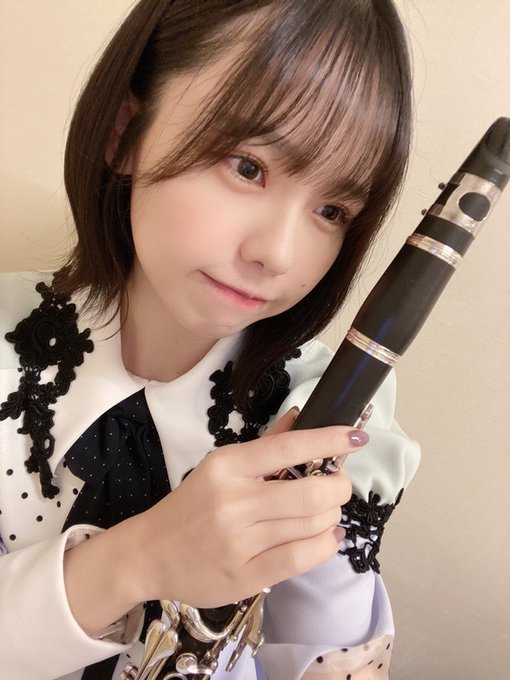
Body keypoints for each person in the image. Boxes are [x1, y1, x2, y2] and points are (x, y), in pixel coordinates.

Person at [0, 1, 420, 678]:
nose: (279, 254)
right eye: (247, 166)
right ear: (125, 132)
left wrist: (323, 555)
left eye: (331, 209)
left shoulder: (328, 413)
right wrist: (137, 559)